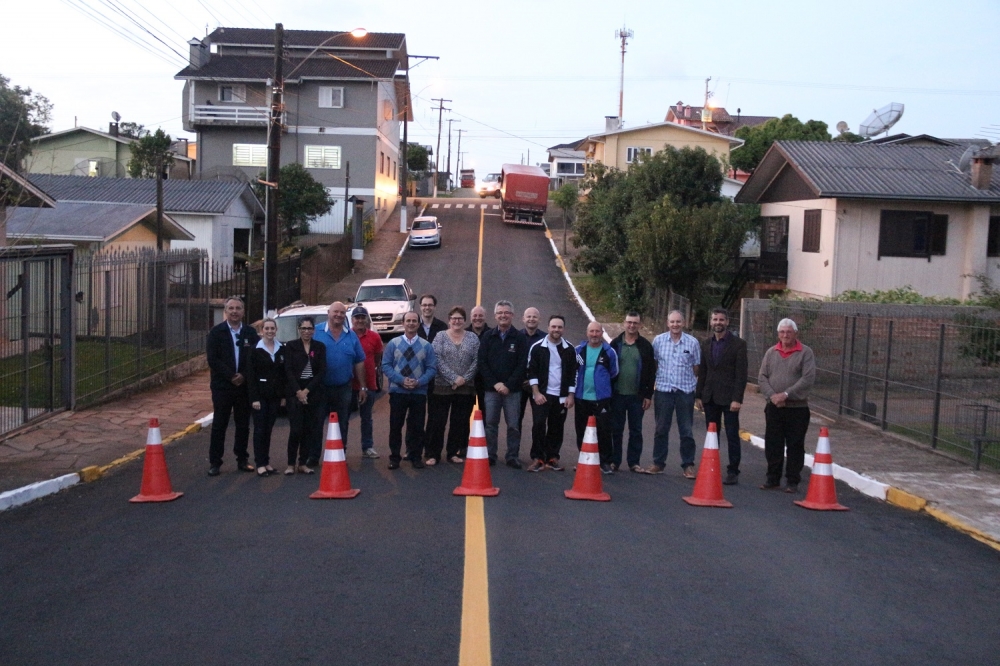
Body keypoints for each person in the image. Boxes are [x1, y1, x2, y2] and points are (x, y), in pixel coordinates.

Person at [758, 318, 816, 493]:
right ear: (778, 334)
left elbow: (807, 378)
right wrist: (772, 396)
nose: (785, 335)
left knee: (795, 445)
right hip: (774, 407)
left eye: (788, 332)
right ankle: (772, 478)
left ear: (795, 334)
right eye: (782, 332)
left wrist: (786, 394)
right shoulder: (771, 352)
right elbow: (762, 377)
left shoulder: (806, 353)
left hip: (797, 408)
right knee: (773, 443)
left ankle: (792, 481)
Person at [206, 297, 260, 476]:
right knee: (219, 425)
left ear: (243, 311)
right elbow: (213, 359)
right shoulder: (216, 332)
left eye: (238, 308)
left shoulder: (250, 333)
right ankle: (215, 462)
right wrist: (231, 376)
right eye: (231, 308)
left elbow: (254, 358)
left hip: (244, 386)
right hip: (223, 386)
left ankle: (242, 460)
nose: (234, 311)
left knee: (243, 425)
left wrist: (243, 375)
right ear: (226, 311)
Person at [695, 307, 748, 486]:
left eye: (721, 320)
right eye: (715, 319)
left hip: (729, 398)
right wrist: (699, 395)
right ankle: (712, 467)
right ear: (711, 322)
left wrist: (737, 399)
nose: (718, 323)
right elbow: (703, 371)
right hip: (709, 397)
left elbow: (741, 375)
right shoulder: (706, 344)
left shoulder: (738, 344)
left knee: (732, 435)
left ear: (727, 322)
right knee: (712, 435)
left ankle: (733, 471)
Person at [313, 301, 368, 466]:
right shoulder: (316, 332)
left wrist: (363, 387)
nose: (338, 315)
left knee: (343, 422)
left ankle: (340, 454)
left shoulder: (350, 335)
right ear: (328, 313)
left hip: (344, 388)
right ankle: (313, 456)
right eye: (335, 312)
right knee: (316, 423)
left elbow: (359, 362)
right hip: (320, 388)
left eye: (342, 313)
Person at [648, 310, 701, 478]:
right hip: (664, 391)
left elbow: (696, 367)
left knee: (686, 430)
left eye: (678, 321)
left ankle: (688, 465)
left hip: (685, 392)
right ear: (667, 323)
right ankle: (658, 463)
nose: (675, 325)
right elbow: (655, 364)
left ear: (683, 323)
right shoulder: (658, 341)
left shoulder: (692, 343)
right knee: (661, 428)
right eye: (672, 322)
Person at [382, 312, 437, 469]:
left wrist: (419, 382)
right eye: (408, 321)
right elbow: (386, 365)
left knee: (417, 427)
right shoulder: (393, 343)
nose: (411, 323)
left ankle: (416, 456)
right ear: (403, 323)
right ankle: (394, 457)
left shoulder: (427, 346)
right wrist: (401, 380)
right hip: (398, 392)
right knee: (395, 426)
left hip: (418, 392)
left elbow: (432, 368)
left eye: (414, 321)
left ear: (418, 324)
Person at [478, 300, 529, 468]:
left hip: (513, 391)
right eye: (500, 313)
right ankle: (490, 454)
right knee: (491, 424)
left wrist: (508, 385)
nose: (503, 315)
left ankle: (512, 456)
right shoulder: (487, 336)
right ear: (495, 316)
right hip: (491, 391)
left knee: (513, 425)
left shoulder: (520, 338)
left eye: (506, 312)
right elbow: (482, 363)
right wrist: (495, 384)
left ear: (512, 315)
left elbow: (522, 364)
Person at [426, 306, 480, 465]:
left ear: (464, 321)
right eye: (453, 318)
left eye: (460, 318)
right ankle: (433, 454)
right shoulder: (440, 336)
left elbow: (477, 361)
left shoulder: (472, 338)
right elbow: (436, 359)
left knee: (459, 422)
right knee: (437, 422)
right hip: (441, 387)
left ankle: (452, 452)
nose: (456, 321)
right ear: (449, 320)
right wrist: (453, 378)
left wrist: (464, 378)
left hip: (465, 388)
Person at [526, 315, 578, 472]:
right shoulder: (537, 347)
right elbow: (531, 372)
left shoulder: (569, 349)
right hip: (542, 395)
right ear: (548, 328)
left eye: (559, 327)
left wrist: (570, 395)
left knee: (557, 427)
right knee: (539, 425)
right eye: (553, 327)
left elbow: (572, 374)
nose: (556, 330)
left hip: (561, 396)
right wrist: (536, 393)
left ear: (563, 329)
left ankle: (552, 457)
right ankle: (538, 458)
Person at [609, 311, 656, 473]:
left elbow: (651, 372)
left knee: (636, 430)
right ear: (624, 323)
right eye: (629, 322)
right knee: (616, 429)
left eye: (635, 323)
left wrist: (648, 395)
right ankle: (614, 461)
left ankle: (634, 462)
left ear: (640, 325)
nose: (631, 325)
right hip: (617, 395)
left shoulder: (645, 346)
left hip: (637, 396)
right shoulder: (615, 344)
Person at [283, 316, 327, 474]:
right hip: (295, 392)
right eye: (303, 328)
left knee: (309, 429)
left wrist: (307, 391)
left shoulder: (320, 347)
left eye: (309, 328)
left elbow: (322, 371)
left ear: (314, 330)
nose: (306, 331)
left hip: (313, 392)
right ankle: (290, 464)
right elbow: (287, 370)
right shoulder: (291, 346)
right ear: (299, 330)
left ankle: (303, 463)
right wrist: (299, 392)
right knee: (296, 429)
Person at [574, 322, 619, 474]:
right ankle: (584, 459)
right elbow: (572, 371)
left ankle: (605, 462)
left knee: (604, 430)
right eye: (591, 331)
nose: (594, 334)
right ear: (587, 333)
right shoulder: (578, 351)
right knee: (581, 429)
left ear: (602, 333)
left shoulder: (609, 352)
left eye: (597, 332)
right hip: (582, 397)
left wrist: (602, 386)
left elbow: (614, 372)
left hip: (602, 398)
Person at [247, 317, 284, 477]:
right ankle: (260, 464)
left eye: (272, 328)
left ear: (276, 330)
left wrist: (282, 396)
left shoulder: (281, 348)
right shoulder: (255, 350)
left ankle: (266, 462)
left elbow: (283, 375)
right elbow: (250, 376)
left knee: (268, 430)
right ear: (262, 331)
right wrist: (254, 398)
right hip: (260, 397)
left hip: (275, 397)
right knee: (260, 430)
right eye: (266, 328)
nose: (269, 331)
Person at [350, 306, 383, 459]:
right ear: (352, 320)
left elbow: (377, 357)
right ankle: (340, 448)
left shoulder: (374, 337)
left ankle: (367, 446)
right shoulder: (347, 336)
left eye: (363, 317)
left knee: (366, 418)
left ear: (367, 319)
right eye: (357, 317)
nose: (360, 320)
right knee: (343, 418)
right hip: (349, 384)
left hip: (368, 384)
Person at [519, 306, 545, 432]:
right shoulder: (516, 337)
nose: (531, 319)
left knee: (539, 422)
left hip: (539, 387)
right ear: (523, 319)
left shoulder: (546, 339)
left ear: (539, 320)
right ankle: (513, 451)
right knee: (515, 421)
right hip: (519, 385)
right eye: (528, 316)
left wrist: (534, 381)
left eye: (534, 316)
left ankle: (537, 452)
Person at [466, 305, 491, 412]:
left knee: (487, 416)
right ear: (471, 317)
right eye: (475, 315)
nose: (477, 318)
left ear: (485, 317)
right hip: (467, 383)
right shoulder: (464, 334)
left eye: (481, 315)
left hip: (486, 383)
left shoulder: (492, 334)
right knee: (464, 416)